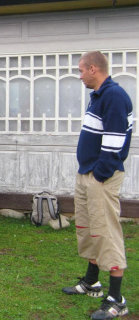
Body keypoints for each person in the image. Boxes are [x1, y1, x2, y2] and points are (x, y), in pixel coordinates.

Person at [62, 51, 133, 319]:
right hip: (88, 173)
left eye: (81, 71)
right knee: (87, 228)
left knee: (106, 232)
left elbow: (116, 143)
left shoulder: (114, 95)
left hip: (100, 177)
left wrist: (99, 175)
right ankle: (92, 282)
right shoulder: (99, 96)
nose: (79, 76)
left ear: (93, 69)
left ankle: (117, 299)